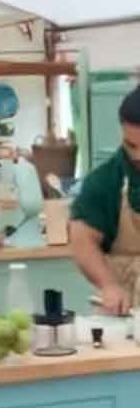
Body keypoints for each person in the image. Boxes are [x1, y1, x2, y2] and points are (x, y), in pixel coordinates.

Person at [70, 86, 140, 315]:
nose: (138, 155)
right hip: (124, 314)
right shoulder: (104, 182)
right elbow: (83, 240)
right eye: (131, 145)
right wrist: (108, 285)